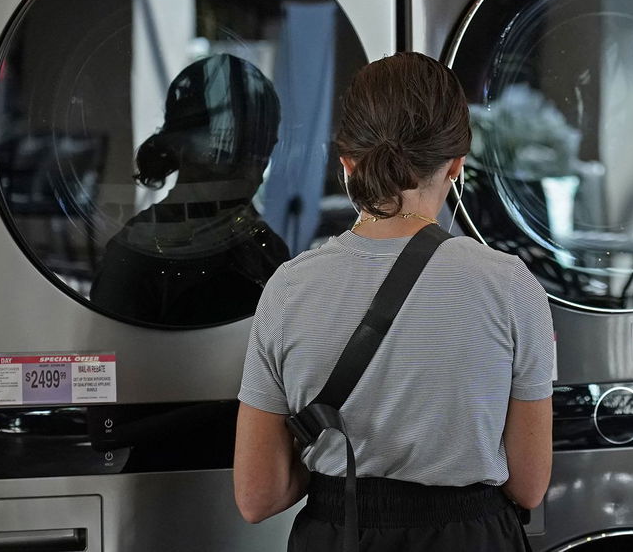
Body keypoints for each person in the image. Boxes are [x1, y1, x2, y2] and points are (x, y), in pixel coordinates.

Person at [233, 52, 554, 551]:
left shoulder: (289, 289)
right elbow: (528, 485)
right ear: (456, 165)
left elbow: (257, 496)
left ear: (347, 163)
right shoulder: (510, 286)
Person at [89, 53, 290, 327]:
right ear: (181, 146)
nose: (251, 169)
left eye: (262, 150)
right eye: (230, 151)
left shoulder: (263, 246)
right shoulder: (136, 256)